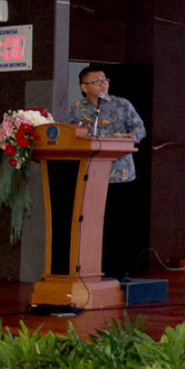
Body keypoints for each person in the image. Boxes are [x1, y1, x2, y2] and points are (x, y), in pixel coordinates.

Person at [66, 65, 147, 279]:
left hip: (119, 175)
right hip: (89, 175)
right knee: (93, 224)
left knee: (119, 224)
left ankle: (120, 270)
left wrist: (128, 138)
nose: (103, 85)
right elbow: (69, 135)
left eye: (105, 80)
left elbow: (140, 129)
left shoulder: (122, 104)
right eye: (97, 82)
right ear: (84, 87)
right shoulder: (76, 109)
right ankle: (92, 268)